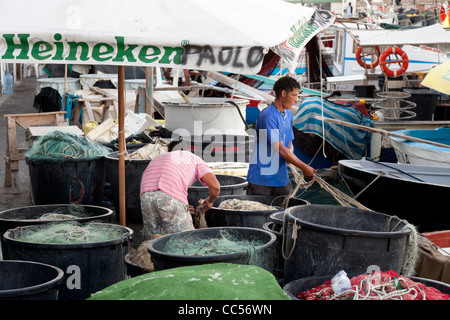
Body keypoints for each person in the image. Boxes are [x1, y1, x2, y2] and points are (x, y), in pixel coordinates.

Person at [246, 76, 315, 197]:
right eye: (293, 95)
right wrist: (304, 167)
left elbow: (289, 144)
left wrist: (290, 157)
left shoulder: (288, 115)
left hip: (281, 179)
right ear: (283, 93)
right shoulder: (268, 116)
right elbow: (280, 148)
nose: (296, 100)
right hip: (262, 181)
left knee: (283, 213)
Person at [140, 140, 220, 240]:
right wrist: (210, 201)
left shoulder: (158, 158)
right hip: (169, 197)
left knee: (152, 242)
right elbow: (215, 186)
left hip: (146, 196)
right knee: (184, 240)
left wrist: (182, 207)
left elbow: (161, 188)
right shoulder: (193, 158)